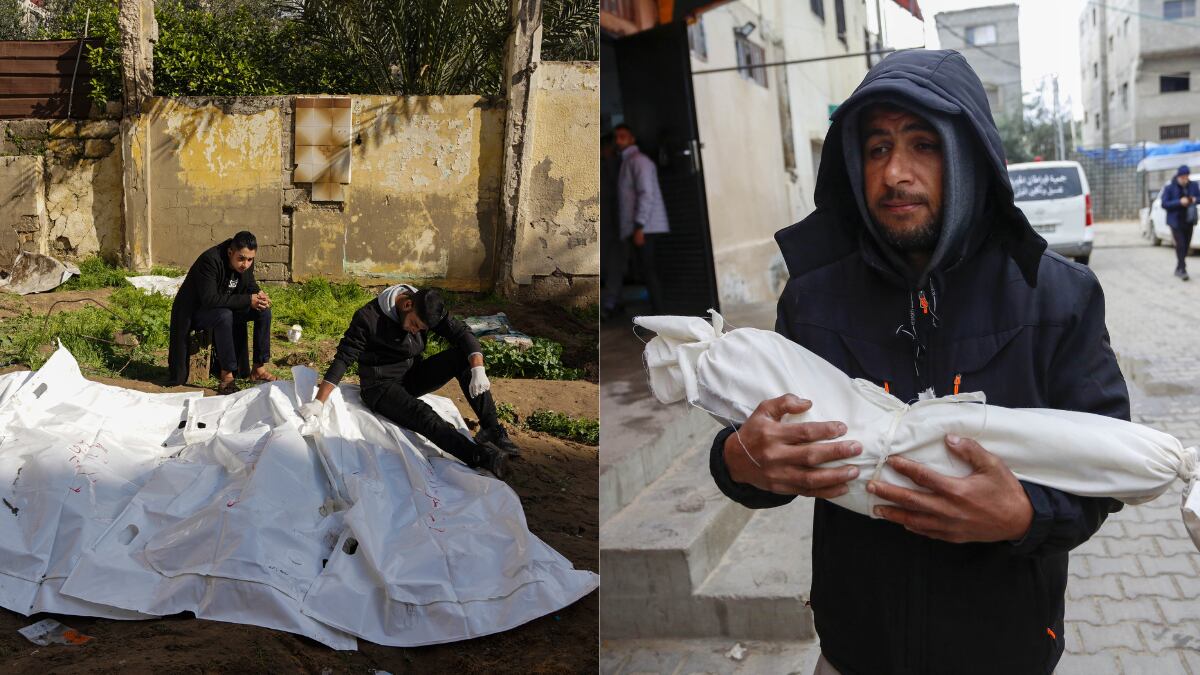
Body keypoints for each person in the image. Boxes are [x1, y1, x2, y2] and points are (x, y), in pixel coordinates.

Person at [708, 49, 1127, 674]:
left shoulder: (1058, 298)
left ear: (969, 155)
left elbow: (1108, 464)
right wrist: (739, 459)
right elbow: (760, 448)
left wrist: (1025, 515)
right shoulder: (814, 301)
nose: (895, 173)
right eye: (877, 148)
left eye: (922, 145)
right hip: (855, 651)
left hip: (1005, 650)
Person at [299, 284, 515, 479]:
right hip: (380, 387)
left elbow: (461, 333)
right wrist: (319, 402)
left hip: (412, 375)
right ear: (407, 304)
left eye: (421, 329)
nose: (416, 330)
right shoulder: (368, 318)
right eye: (415, 325)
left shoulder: (427, 307)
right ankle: (479, 456)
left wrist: (477, 367)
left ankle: (492, 430)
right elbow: (344, 358)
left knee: (463, 357)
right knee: (424, 415)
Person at [167, 231, 276, 394]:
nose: (245, 264)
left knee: (263, 312)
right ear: (230, 252)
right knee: (224, 315)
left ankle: (258, 369)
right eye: (241, 258)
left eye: (250, 259)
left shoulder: (245, 262)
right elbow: (209, 300)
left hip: (225, 307)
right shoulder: (210, 261)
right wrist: (247, 300)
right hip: (196, 312)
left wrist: (260, 296)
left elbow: (249, 285)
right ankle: (227, 375)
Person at [602, 123, 669, 319]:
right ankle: (657, 312)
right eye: (617, 137)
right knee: (645, 269)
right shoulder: (626, 162)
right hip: (641, 227)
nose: (618, 141)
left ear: (632, 139)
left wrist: (639, 226)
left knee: (649, 270)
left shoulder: (637, 162)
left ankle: (660, 313)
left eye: (623, 136)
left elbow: (646, 194)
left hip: (646, 227)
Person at [1160, 164, 1200, 280]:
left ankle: (1179, 267)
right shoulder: (1170, 188)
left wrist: (1193, 199)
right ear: (1178, 176)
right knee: (1181, 245)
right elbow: (1164, 203)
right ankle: (1182, 269)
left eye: (1186, 177)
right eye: (1183, 177)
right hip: (1175, 222)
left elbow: (1199, 197)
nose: (1185, 179)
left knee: (1186, 246)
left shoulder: (1193, 185)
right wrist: (1179, 202)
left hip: (1189, 220)